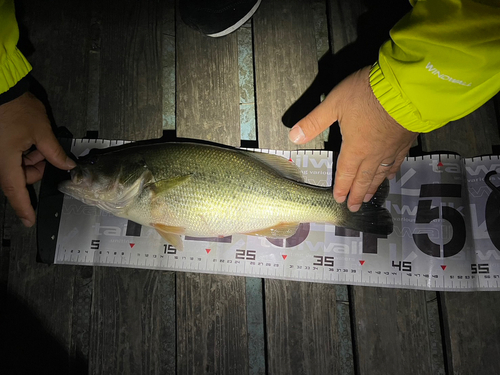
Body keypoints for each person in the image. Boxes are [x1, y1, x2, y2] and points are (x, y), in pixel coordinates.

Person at [0, 0, 499, 227]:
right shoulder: (135, 185)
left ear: (133, 176)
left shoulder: (140, 181)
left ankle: (335, 211)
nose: (80, 178)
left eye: (89, 174)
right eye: (86, 174)